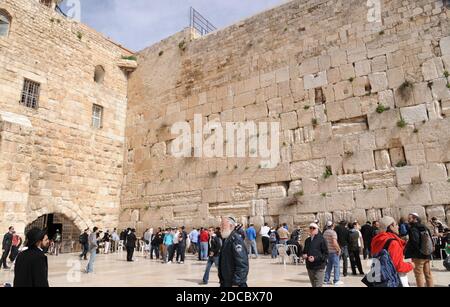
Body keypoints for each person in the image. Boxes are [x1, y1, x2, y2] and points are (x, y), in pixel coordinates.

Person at [371, 216, 414, 287]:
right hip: (395, 279)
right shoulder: (393, 243)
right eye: (396, 224)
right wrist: (410, 265)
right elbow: (398, 266)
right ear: (391, 226)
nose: (398, 227)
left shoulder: (375, 241)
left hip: (380, 278)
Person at [405, 213, 434, 287]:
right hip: (427, 254)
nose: (408, 220)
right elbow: (430, 239)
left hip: (418, 256)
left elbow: (415, 242)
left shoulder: (413, 229)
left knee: (419, 275)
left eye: (410, 218)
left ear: (415, 219)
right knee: (428, 274)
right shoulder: (425, 227)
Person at [218, 217, 249, 287]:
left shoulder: (236, 240)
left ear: (231, 226)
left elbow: (242, 264)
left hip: (234, 283)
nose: (220, 227)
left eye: (223, 225)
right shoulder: (227, 239)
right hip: (227, 282)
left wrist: (236, 282)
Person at [303, 223, 328, 287]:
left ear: (317, 230)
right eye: (310, 228)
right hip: (310, 267)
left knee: (318, 285)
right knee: (314, 285)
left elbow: (326, 254)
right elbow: (304, 251)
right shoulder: (307, 240)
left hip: (319, 266)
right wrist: (304, 255)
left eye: (313, 228)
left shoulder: (322, 239)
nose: (312, 229)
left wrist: (315, 258)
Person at [323, 221, 343, 286]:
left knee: (329, 266)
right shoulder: (333, 232)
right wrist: (338, 249)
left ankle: (326, 279)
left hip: (328, 251)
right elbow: (334, 242)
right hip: (334, 252)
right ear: (332, 225)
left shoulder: (325, 232)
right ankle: (336, 280)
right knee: (336, 266)